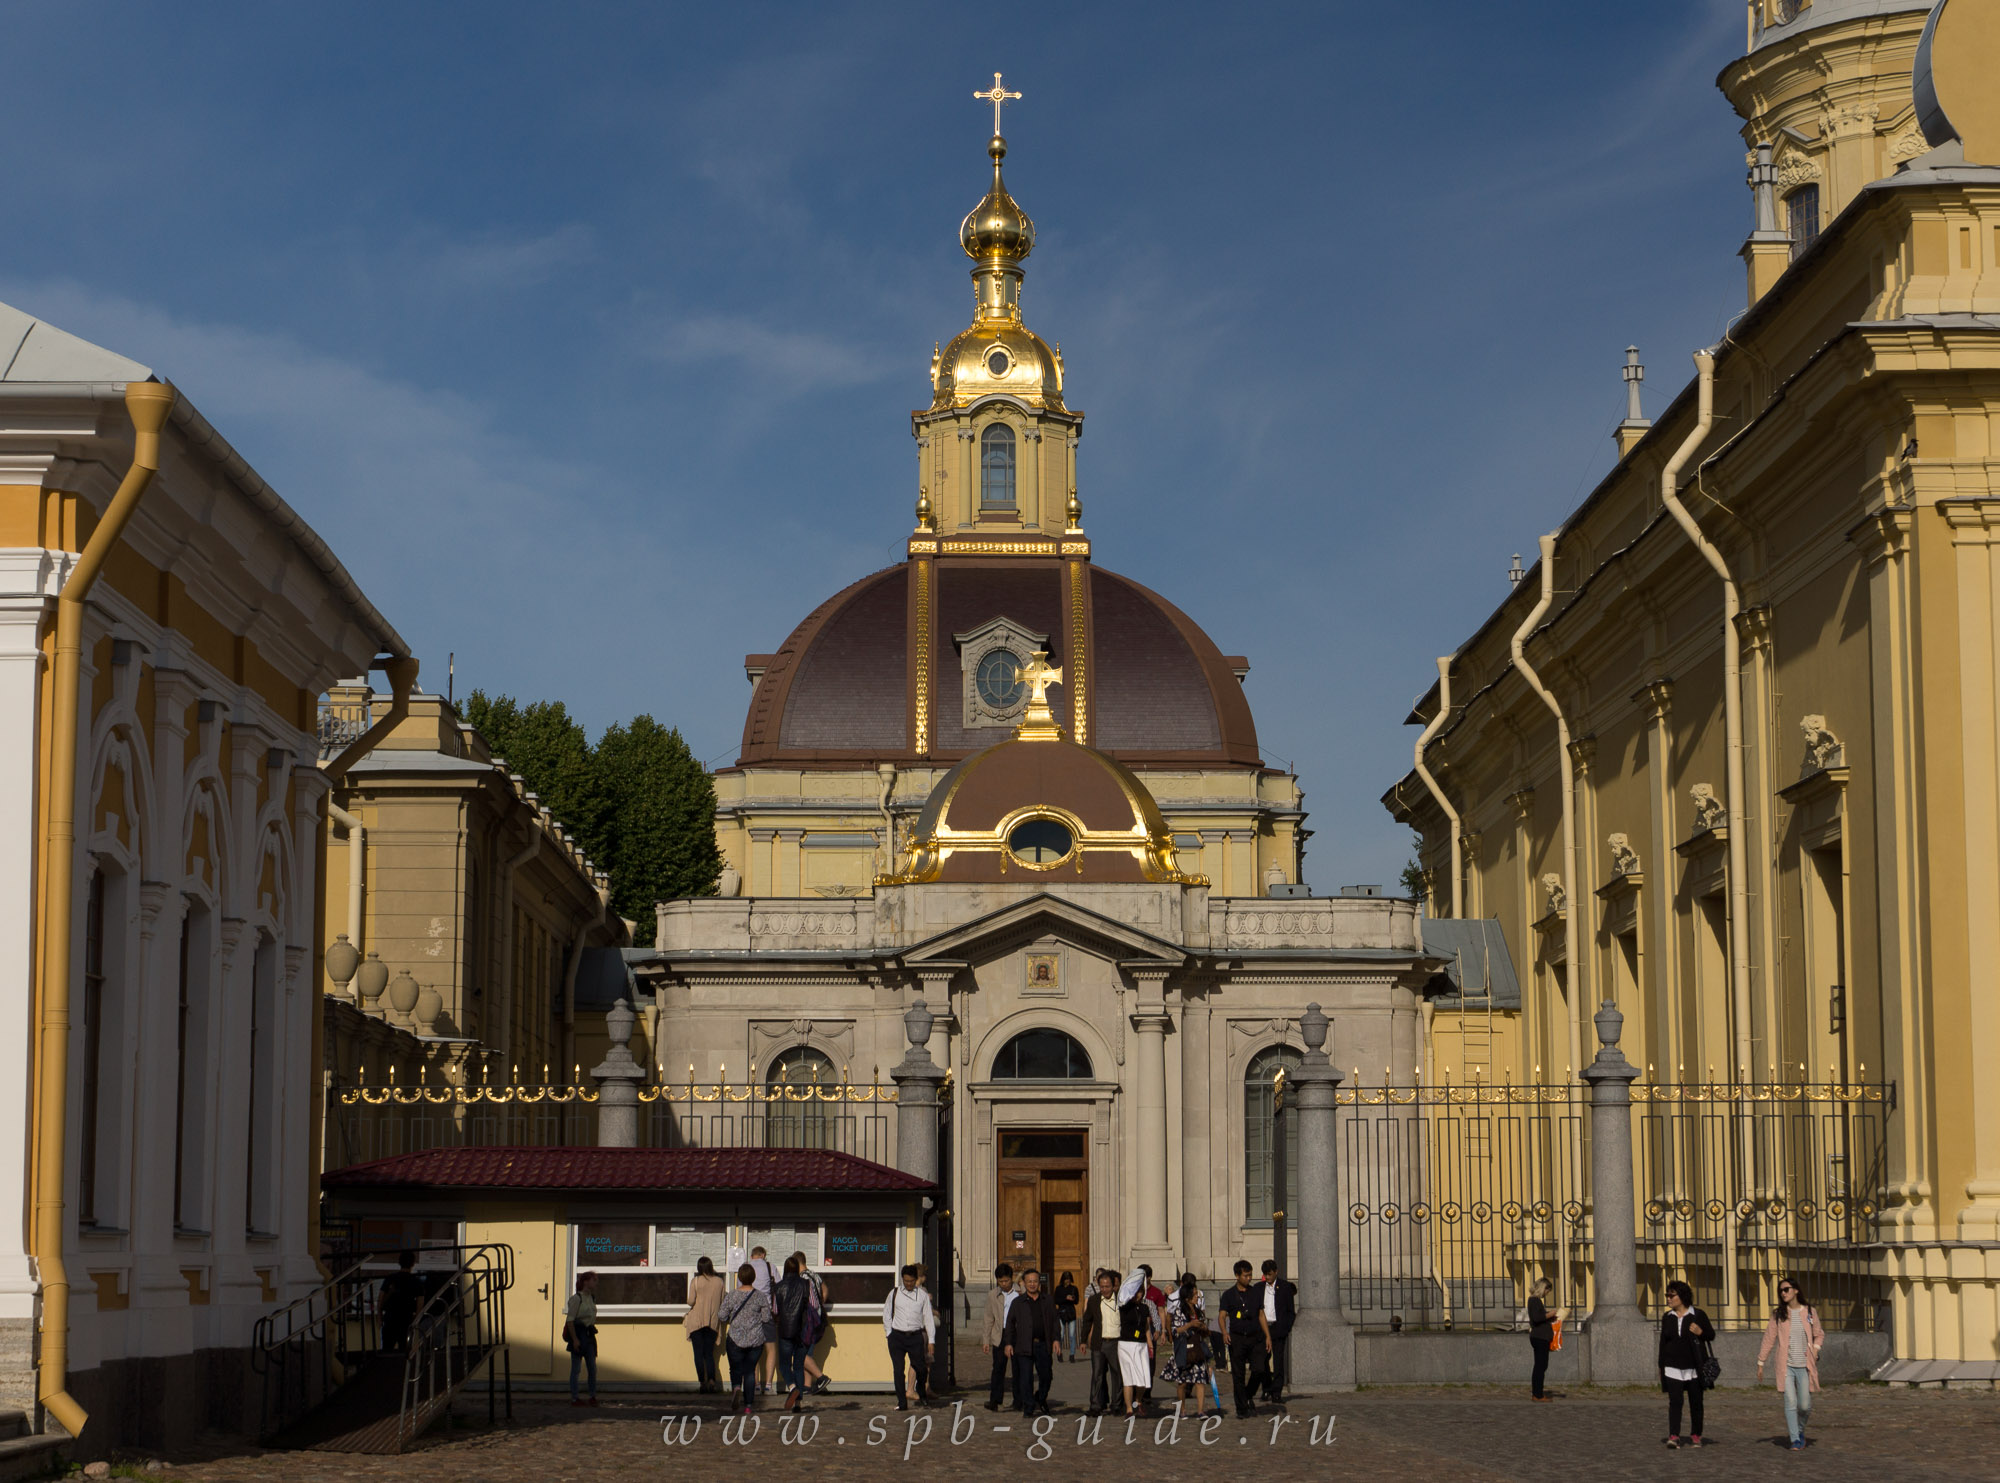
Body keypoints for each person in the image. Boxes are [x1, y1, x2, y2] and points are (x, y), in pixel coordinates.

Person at [1756, 1278, 1825, 1450]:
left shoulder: (1810, 1311)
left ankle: (1800, 1430)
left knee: (1805, 1405)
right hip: (1786, 1365)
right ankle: (1795, 1439)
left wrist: (1815, 1349)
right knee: (1790, 1402)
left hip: (1805, 1366)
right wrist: (1761, 1362)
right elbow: (1769, 1339)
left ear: (1796, 1290)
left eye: (1786, 1289)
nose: (1783, 1293)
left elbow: (1819, 1334)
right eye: (1781, 1291)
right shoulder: (1778, 1314)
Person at [1659, 1280, 1716, 1448]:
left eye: (1672, 1295)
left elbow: (1711, 1335)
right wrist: (1660, 1365)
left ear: (1682, 1296)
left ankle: (1696, 1434)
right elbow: (1663, 1343)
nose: (1668, 1299)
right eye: (1667, 1295)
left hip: (1694, 1368)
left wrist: (1701, 1332)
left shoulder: (1698, 1315)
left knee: (1696, 1402)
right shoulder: (1667, 1318)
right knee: (1675, 1402)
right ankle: (1674, 1435)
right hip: (1672, 1367)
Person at [1215, 1259, 1272, 1418]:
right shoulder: (1228, 1295)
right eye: (1246, 1275)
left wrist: (1268, 1336)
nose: (1249, 1278)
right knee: (1238, 1375)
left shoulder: (1255, 1293)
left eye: (1250, 1275)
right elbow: (1222, 1316)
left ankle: (1247, 1395)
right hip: (1237, 1339)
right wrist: (1224, 1333)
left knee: (1259, 1369)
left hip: (1255, 1338)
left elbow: (1261, 1315)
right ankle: (1241, 1408)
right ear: (1237, 1276)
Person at [882, 1263, 937, 1411]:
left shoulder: (922, 1296)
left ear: (916, 1279)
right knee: (898, 1370)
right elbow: (887, 1314)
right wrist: (889, 1333)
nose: (908, 1284)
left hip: (915, 1337)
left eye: (911, 1281)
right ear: (902, 1279)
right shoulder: (894, 1293)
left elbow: (928, 1318)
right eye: (906, 1281)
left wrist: (931, 1340)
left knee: (921, 1368)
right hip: (897, 1337)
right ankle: (902, 1401)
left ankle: (921, 1390)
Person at [1006, 1268, 1058, 1417]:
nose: (1032, 1284)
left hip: (1043, 1344)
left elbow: (1055, 1322)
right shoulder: (1018, 1302)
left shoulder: (1047, 1300)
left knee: (1046, 1375)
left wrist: (1056, 1339)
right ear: (1024, 1283)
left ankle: (1041, 1398)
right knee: (1026, 1378)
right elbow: (1010, 1323)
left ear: (1039, 1282)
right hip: (1024, 1345)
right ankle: (1028, 1407)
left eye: (1035, 1281)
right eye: (1029, 1281)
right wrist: (1009, 1343)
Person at [718, 1263, 768, 1415]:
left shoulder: (732, 1295)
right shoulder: (760, 1296)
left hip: (735, 1339)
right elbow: (766, 1318)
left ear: (739, 1278)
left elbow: (721, 1315)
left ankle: (736, 1387)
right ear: (753, 1277)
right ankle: (748, 1405)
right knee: (750, 1372)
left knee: (735, 1368)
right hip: (755, 1340)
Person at [1162, 1273, 1213, 1417]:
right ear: (1187, 1297)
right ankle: (1182, 1409)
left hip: (1197, 1348)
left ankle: (1200, 1411)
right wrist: (1189, 1325)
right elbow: (1175, 1330)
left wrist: (1203, 1329)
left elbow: (1203, 1331)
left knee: (1200, 1381)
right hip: (1184, 1349)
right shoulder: (1179, 1311)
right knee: (1182, 1383)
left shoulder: (1198, 1312)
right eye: (1195, 1294)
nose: (1197, 1297)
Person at [1078, 1268, 1122, 1416]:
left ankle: (1116, 1404)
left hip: (1116, 1343)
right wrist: (1083, 1341)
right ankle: (1096, 1405)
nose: (1105, 1290)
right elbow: (1087, 1321)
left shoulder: (1120, 1300)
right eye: (1102, 1287)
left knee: (1117, 1374)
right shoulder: (1094, 1300)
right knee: (1097, 1375)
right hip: (1099, 1343)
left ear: (1113, 1285)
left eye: (1107, 1286)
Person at [773, 1254, 813, 1411]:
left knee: (784, 1364)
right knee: (798, 1366)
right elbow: (814, 1306)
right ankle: (798, 1404)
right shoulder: (806, 1284)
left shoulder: (778, 1286)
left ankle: (792, 1387)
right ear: (797, 1269)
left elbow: (775, 1310)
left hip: (785, 1331)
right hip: (803, 1331)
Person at [1116, 1271, 1157, 1417]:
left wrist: (1149, 1341)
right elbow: (1122, 1294)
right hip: (1126, 1344)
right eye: (1136, 1291)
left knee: (1142, 1378)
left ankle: (1138, 1401)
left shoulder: (1144, 1308)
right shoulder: (1124, 1305)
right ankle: (1129, 1409)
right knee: (1128, 1378)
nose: (1138, 1295)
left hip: (1140, 1345)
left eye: (1140, 1291)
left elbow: (1145, 1326)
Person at [791, 1250, 832, 1395]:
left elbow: (807, 1300)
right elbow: (825, 1290)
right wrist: (821, 1303)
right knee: (808, 1353)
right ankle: (807, 1386)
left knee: (799, 1353)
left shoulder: (802, 1278)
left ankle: (821, 1377)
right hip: (817, 1320)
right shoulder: (815, 1275)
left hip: (807, 1320)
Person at [684, 1255, 724, 1393]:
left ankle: (702, 1382)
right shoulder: (719, 1282)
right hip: (712, 1322)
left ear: (699, 1268)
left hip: (696, 1322)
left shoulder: (695, 1281)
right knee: (709, 1354)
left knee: (698, 1354)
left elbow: (690, 1301)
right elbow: (722, 1300)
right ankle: (712, 1380)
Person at [981, 1263, 1018, 1411]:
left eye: (1006, 1281)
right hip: (999, 1334)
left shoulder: (1020, 1293)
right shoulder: (992, 1295)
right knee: (998, 1368)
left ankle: (1019, 1400)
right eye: (1001, 1281)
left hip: (1016, 1334)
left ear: (1011, 1279)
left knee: (1018, 1369)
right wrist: (986, 1339)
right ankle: (995, 1400)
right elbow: (988, 1318)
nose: (1004, 1284)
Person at [1258, 1260, 1297, 1403]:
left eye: (1269, 1274)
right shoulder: (1258, 1288)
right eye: (1265, 1275)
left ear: (1276, 1272)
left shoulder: (1285, 1287)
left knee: (1279, 1361)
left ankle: (1277, 1392)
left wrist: (1286, 1327)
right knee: (1262, 1360)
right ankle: (1266, 1388)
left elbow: (1290, 1311)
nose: (1267, 1277)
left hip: (1278, 1328)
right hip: (1263, 1328)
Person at [562, 1271, 600, 1407]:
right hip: (578, 1333)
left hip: (589, 1334)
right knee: (576, 1368)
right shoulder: (577, 1299)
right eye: (593, 1280)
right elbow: (570, 1320)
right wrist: (575, 1339)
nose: (596, 1282)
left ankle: (592, 1396)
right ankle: (575, 1398)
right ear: (585, 1282)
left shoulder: (591, 1298)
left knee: (592, 1367)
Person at [380, 1249, 424, 1353]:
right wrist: (416, 1321)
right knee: (404, 1350)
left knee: (386, 1350)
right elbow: (420, 1304)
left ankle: (385, 1369)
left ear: (399, 1262)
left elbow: (380, 1299)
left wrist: (379, 1317)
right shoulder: (416, 1281)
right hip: (406, 1319)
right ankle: (403, 1369)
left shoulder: (390, 1278)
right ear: (413, 1264)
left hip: (390, 1318)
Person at [1526, 1277, 1562, 1402]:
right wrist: (1550, 1314)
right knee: (1540, 1366)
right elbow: (1537, 1318)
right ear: (1543, 1288)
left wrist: (1549, 1319)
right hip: (1539, 1337)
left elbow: (1539, 1318)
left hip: (1540, 1337)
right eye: (1547, 1291)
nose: (1547, 1294)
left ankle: (1538, 1393)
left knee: (1541, 1366)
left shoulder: (1535, 1301)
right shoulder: (1534, 1300)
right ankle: (1538, 1394)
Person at [748, 1245, 778, 1395]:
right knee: (770, 1349)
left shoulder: (745, 1267)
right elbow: (778, 1288)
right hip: (767, 1313)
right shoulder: (770, 1266)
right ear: (763, 1255)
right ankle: (768, 1386)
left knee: (754, 1349)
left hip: (751, 1314)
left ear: (752, 1255)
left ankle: (755, 1385)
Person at [1053, 1271, 1080, 1363]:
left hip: (1071, 1313)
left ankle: (1072, 1355)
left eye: (1069, 1279)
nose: (1067, 1281)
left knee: (1072, 1335)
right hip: (1061, 1313)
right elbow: (1056, 1300)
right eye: (1066, 1279)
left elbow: (1077, 1301)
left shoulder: (1074, 1288)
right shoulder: (1058, 1288)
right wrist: (1065, 1298)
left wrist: (1073, 1298)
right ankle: (1059, 1353)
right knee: (1061, 1335)